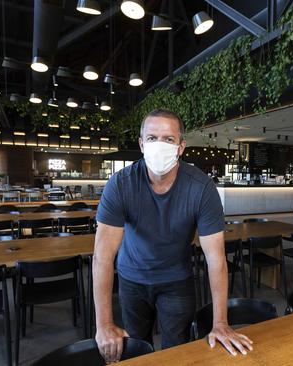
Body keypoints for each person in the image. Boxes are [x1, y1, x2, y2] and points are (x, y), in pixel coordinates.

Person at [93, 109, 253, 362]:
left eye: (168, 139)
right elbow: (102, 257)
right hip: (132, 277)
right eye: (152, 138)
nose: (160, 145)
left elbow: (216, 259)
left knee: (176, 353)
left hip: (177, 281)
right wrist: (103, 325)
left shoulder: (201, 188)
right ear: (142, 144)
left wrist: (220, 322)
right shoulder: (121, 184)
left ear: (180, 147)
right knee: (135, 350)